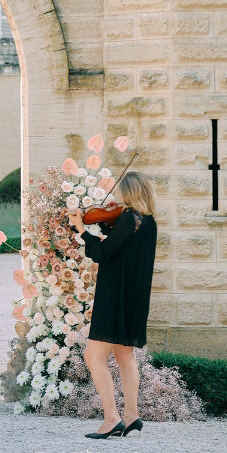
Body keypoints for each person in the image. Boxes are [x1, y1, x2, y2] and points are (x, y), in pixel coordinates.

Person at [82, 170, 159, 439]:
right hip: (133, 298)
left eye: (120, 194)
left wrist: (83, 231)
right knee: (124, 356)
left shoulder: (128, 218)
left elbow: (103, 252)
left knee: (93, 356)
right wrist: (104, 225)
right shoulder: (147, 221)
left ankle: (112, 418)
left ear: (129, 193)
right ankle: (131, 415)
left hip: (115, 295)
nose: (116, 199)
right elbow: (121, 244)